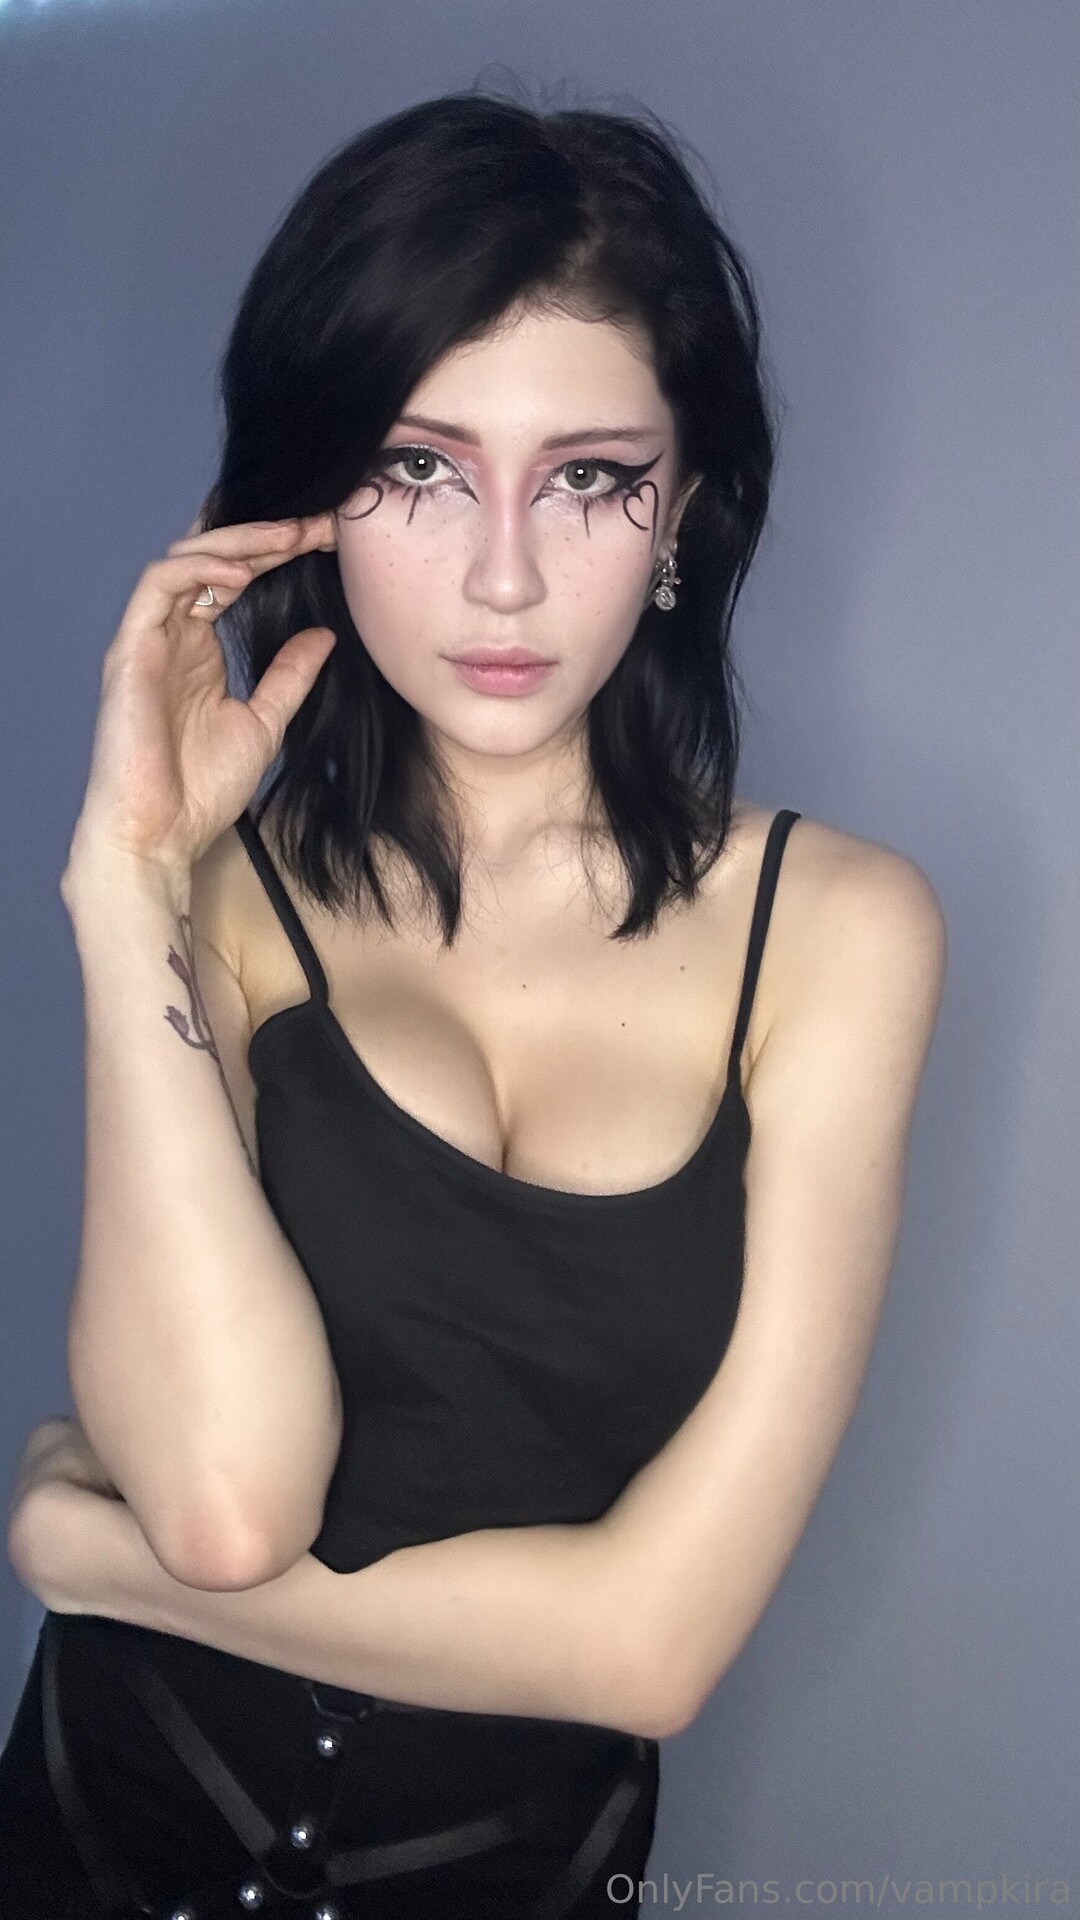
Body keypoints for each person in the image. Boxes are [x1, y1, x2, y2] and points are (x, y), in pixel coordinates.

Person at [0, 87, 945, 1919]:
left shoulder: (839, 935)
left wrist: (79, 1555)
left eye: (588, 478)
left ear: (681, 512)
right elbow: (220, 1504)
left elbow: (654, 1650)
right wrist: (120, 890)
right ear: (308, 505)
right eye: (419, 470)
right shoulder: (222, 897)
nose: (503, 574)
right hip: (86, 1842)